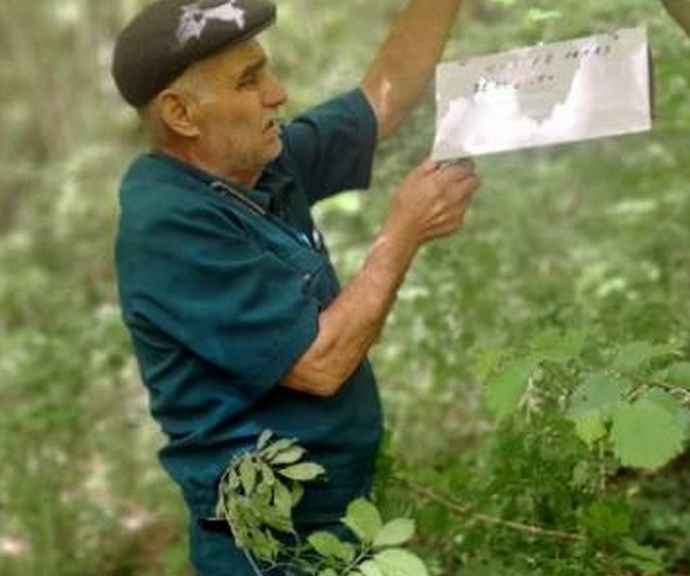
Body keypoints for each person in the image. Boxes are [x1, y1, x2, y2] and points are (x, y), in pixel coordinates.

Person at [110, 0, 479, 573]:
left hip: (338, 515)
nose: (277, 93)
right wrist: (402, 235)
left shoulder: (253, 163)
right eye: (249, 80)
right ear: (182, 114)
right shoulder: (168, 225)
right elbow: (319, 364)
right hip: (266, 545)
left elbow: (382, 97)